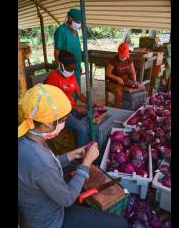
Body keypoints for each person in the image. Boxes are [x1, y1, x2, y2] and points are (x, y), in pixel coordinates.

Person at [18, 84, 128, 228]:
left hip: (34, 209)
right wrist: (87, 163)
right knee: (120, 224)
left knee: (74, 166)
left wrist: (72, 154)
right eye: (63, 120)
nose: (64, 124)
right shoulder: (41, 162)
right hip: (51, 221)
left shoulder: (27, 138)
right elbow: (67, 198)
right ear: (47, 125)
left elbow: (46, 167)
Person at [45, 50, 89, 148]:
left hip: (71, 108)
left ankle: (87, 144)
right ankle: (81, 156)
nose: (70, 72)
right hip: (59, 113)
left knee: (91, 115)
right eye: (69, 69)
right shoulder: (53, 78)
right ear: (60, 65)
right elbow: (53, 102)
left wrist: (90, 103)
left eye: (72, 70)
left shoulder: (71, 75)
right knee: (81, 128)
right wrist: (73, 107)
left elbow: (79, 94)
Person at [105, 42, 146, 108]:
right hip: (113, 83)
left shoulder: (129, 60)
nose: (123, 57)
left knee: (143, 88)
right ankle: (117, 109)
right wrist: (117, 78)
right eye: (122, 56)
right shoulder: (113, 61)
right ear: (118, 52)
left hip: (126, 81)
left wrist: (134, 82)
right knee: (119, 94)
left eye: (125, 56)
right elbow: (107, 73)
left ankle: (134, 108)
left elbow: (133, 72)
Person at [54, 8, 83, 90]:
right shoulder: (61, 30)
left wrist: (79, 65)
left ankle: (75, 102)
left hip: (75, 67)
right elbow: (57, 50)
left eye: (80, 22)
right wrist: (59, 67)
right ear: (70, 19)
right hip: (67, 68)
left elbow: (76, 49)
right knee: (68, 90)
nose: (79, 24)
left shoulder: (75, 31)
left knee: (77, 89)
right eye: (77, 22)